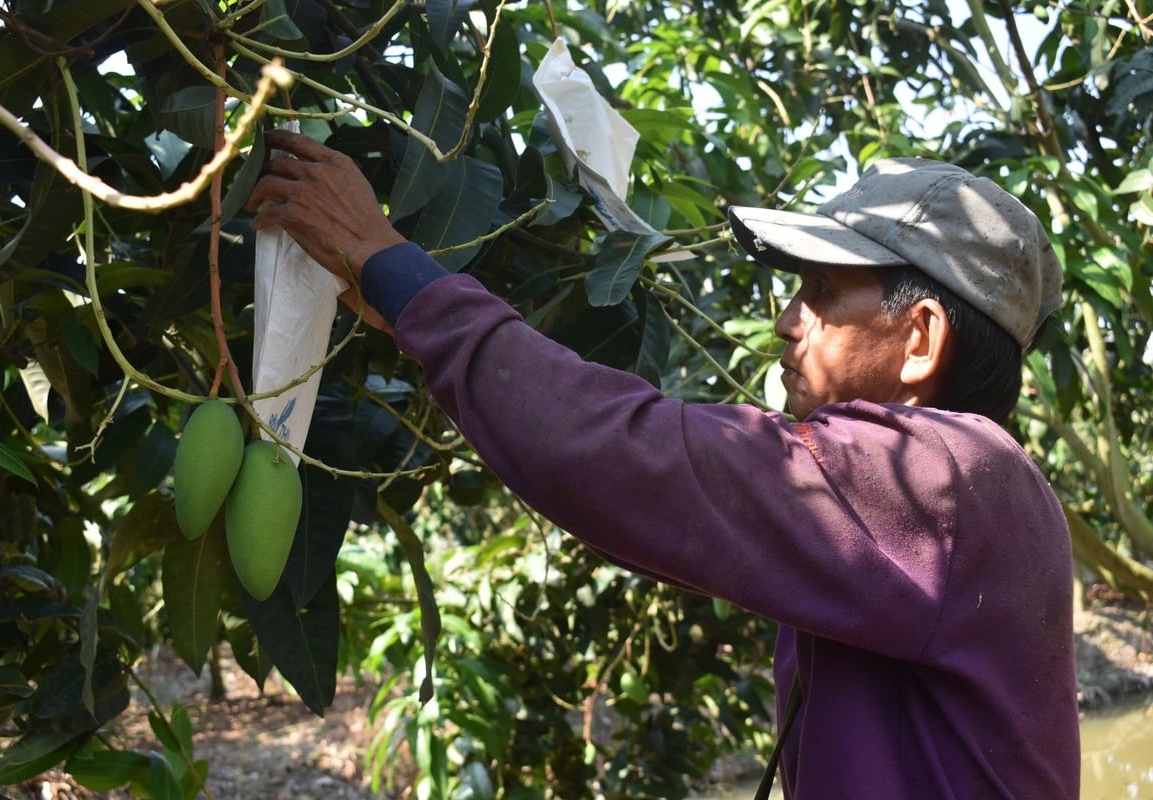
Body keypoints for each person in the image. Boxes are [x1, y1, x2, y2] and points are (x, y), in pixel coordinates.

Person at [247, 131, 1080, 799]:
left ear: (921, 339)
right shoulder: (970, 487)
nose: (789, 323)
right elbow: (652, 511)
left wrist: (395, 268)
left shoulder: (933, 481)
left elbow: (630, 458)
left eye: (821, 293)